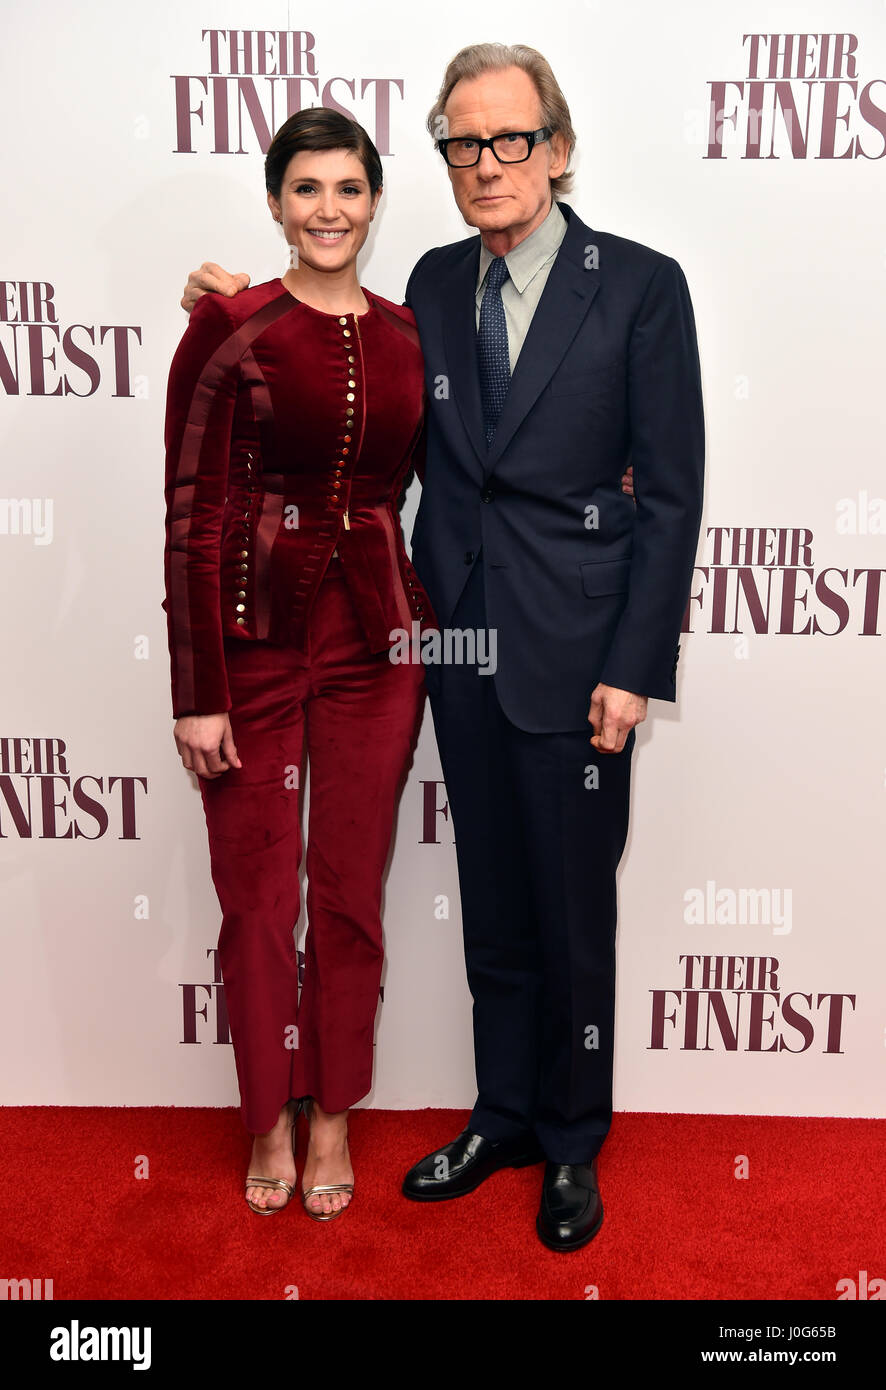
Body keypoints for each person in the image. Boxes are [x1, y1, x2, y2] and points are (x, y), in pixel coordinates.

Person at [181, 41, 702, 1253]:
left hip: (581, 663)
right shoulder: (426, 280)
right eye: (461, 143)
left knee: (574, 915)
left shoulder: (637, 286)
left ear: (557, 151)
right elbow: (339, 382)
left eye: (509, 139)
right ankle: (504, 1113)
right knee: (495, 916)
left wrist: (632, 667)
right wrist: (240, 308)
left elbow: (671, 499)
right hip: (452, 648)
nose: (484, 163)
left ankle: (571, 1144)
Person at [163, 107, 432, 1220]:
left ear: (375, 203)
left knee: (351, 892)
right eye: (307, 189)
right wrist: (197, 694)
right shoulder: (229, 326)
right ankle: (267, 1113)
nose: (330, 210)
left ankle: (334, 1115)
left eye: (349, 189)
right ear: (275, 202)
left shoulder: (411, 331)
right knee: (259, 898)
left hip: (380, 642)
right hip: (253, 639)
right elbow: (191, 511)